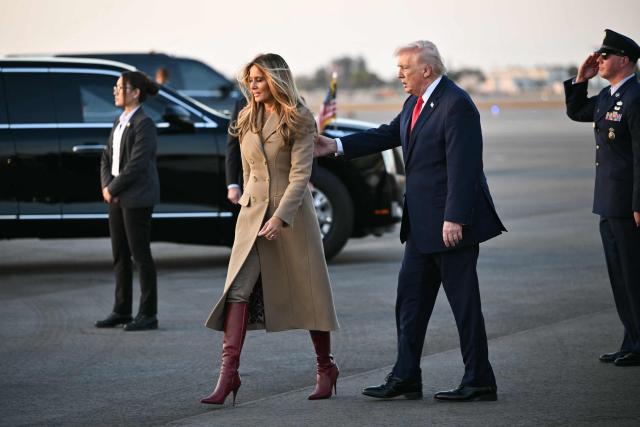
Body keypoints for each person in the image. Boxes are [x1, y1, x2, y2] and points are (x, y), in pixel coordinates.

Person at [315, 40, 505, 401]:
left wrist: (455, 218)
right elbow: (388, 134)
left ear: (427, 70)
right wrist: (336, 146)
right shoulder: (414, 103)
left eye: (404, 67)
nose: (398, 73)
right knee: (410, 304)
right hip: (420, 227)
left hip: (451, 227)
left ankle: (479, 379)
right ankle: (406, 376)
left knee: (464, 307)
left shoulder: (456, 105)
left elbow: (464, 169)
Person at [201, 53, 340, 406]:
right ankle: (228, 376)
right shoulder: (247, 116)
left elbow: (300, 176)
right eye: (250, 80)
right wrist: (248, 202)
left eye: (259, 79)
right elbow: (249, 170)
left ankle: (326, 368)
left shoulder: (300, 118)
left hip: (291, 218)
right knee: (237, 291)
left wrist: (280, 217)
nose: (253, 86)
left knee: (311, 295)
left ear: (276, 80)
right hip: (252, 217)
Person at [564, 29, 640, 367]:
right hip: (609, 201)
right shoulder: (610, 96)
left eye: (605, 56)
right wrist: (581, 78)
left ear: (624, 59)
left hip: (629, 205)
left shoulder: (636, 98)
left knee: (635, 276)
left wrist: (639, 204)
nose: (600, 60)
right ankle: (632, 339)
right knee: (620, 277)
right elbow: (578, 111)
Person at [95, 71, 161, 332]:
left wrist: (113, 187)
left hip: (136, 197)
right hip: (116, 195)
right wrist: (105, 186)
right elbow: (105, 156)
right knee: (120, 255)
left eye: (120, 87)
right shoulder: (119, 121)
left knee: (140, 256)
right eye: (116, 86)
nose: (115, 90)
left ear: (135, 93)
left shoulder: (145, 124)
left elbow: (138, 164)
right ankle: (121, 310)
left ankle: (148, 314)